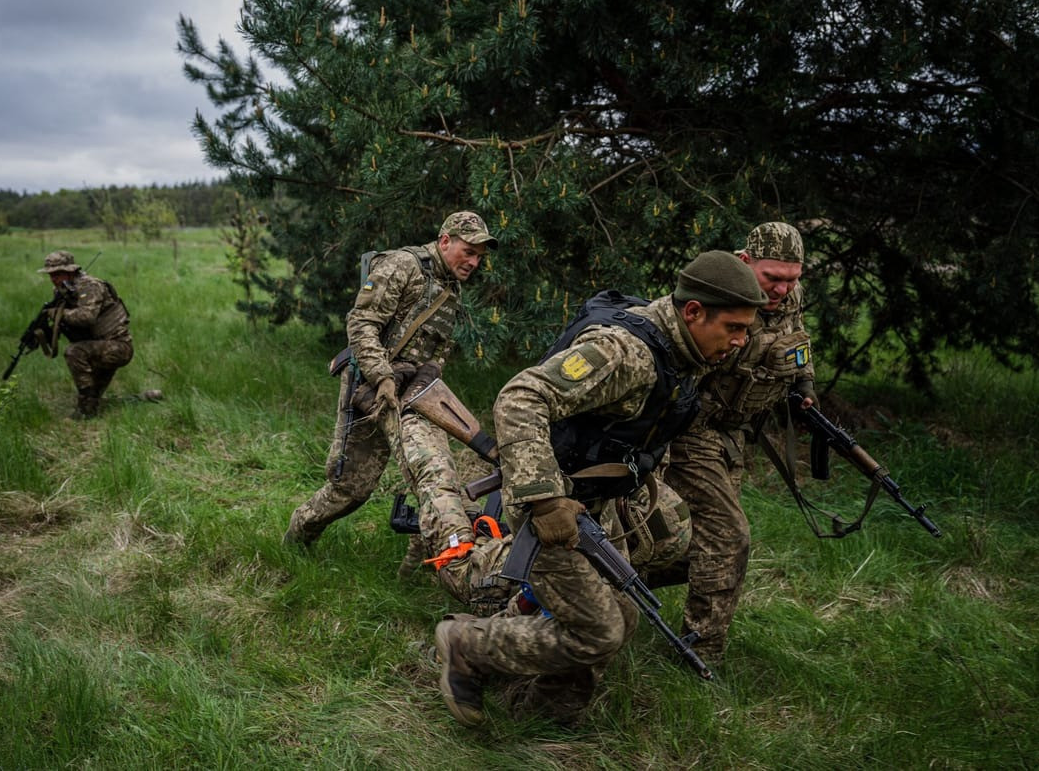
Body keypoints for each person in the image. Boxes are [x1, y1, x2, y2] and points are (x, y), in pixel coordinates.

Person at [433, 250, 769, 727]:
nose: (740, 341)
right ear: (693, 312)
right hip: (549, 503)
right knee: (599, 630)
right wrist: (545, 500)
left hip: (593, 504)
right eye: (733, 328)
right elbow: (521, 396)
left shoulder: (683, 350)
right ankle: (466, 646)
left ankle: (545, 717)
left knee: (622, 616)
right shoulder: (625, 353)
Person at [285, 211, 500, 598]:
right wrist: (383, 376)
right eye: (468, 252)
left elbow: (439, 349)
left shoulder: (452, 286)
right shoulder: (403, 266)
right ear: (445, 240)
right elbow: (361, 323)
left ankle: (416, 574)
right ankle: (296, 538)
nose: (473, 262)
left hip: (413, 396)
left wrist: (428, 374)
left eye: (480, 256)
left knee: (432, 472)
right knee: (350, 490)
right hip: (372, 388)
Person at [658, 222, 817, 664]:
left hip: (738, 434)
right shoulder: (718, 293)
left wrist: (804, 385)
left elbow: (797, 341)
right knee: (729, 536)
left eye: (793, 278)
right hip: (694, 429)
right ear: (746, 263)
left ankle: (610, 583)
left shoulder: (789, 296)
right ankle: (700, 653)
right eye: (773, 278)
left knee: (700, 542)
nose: (783, 289)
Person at [36, 250, 133, 419]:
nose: (53, 278)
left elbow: (87, 317)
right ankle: (146, 396)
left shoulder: (90, 286)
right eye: (51, 275)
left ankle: (85, 411)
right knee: (95, 395)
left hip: (117, 347)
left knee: (74, 352)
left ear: (70, 271)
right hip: (96, 344)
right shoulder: (62, 290)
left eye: (58, 274)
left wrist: (57, 314)